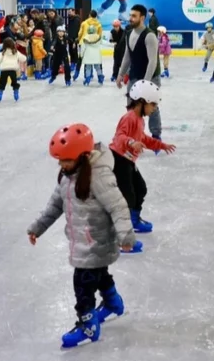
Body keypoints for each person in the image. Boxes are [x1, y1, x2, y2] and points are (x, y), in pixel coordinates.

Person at [28, 123, 137, 348]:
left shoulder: (98, 176)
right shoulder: (67, 176)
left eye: (66, 160)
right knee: (100, 275)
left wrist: (125, 236)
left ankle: (88, 326)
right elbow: (54, 206)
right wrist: (37, 227)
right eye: (60, 160)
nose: (62, 164)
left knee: (83, 285)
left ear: (83, 156)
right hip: (82, 242)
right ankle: (113, 303)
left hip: (95, 243)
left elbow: (118, 206)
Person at [110, 81, 175, 239]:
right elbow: (119, 136)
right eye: (153, 105)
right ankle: (121, 229)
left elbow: (143, 138)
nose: (154, 109)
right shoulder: (129, 117)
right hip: (118, 160)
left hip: (128, 161)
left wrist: (161, 145)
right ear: (141, 101)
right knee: (127, 196)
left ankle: (133, 220)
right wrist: (131, 142)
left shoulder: (139, 119)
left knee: (141, 189)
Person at [117, 5, 163, 139]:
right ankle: (133, 133)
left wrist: (145, 84)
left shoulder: (150, 36)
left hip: (150, 78)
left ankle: (156, 135)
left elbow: (153, 61)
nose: (130, 18)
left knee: (151, 107)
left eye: (134, 16)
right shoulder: (129, 33)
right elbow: (127, 56)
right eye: (130, 15)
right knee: (131, 108)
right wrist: (121, 74)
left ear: (142, 18)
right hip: (134, 75)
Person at [0, 38, 26, 102]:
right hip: (13, 70)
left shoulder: (2, 53)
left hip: (4, 70)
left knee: (2, 83)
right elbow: (23, 58)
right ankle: (16, 94)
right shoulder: (15, 52)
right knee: (14, 82)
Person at [78, 14, 105, 86]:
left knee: (88, 68)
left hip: (88, 56)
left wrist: (81, 55)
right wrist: (113, 44)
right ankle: (100, 78)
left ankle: (87, 79)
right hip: (96, 56)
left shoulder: (85, 38)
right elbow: (105, 43)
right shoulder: (98, 37)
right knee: (98, 67)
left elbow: (83, 48)